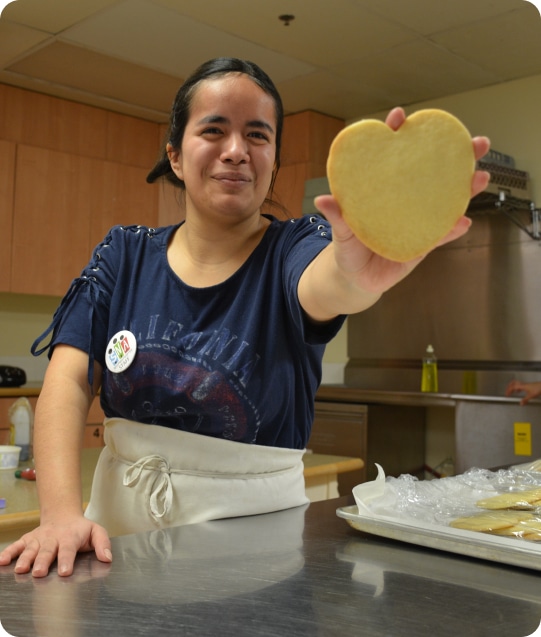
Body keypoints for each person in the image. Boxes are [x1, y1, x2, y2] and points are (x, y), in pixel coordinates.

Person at [0, 57, 490, 578]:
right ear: (176, 155)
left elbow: (328, 283)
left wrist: (356, 273)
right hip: (115, 550)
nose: (236, 151)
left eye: (257, 135)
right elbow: (70, 378)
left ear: (273, 159)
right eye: (214, 129)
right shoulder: (125, 254)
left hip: (257, 564)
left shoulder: (295, 248)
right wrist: (58, 516)